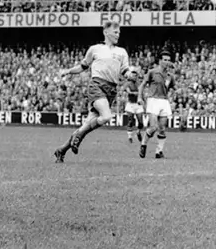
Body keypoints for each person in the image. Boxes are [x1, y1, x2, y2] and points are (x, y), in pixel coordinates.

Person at [54, 20, 130, 162]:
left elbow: (125, 70)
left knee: (87, 123)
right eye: (115, 32)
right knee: (106, 116)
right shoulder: (95, 49)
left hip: (111, 90)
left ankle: (61, 150)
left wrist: (130, 74)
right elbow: (82, 66)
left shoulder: (122, 52)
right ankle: (80, 135)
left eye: (119, 32)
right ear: (106, 32)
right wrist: (68, 71)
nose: (118, 34)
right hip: (97, 86)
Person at [138, 51, 173, 159]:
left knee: (162, 128)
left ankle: (159, 152)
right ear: (160, 61)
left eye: (168, 60)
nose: (167, 62)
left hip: (164, 101)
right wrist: (140, 97)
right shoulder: (152, 72)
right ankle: (143, 144)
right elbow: (142, 85)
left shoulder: (170, 76)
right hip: (153, 100)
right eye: (165, 60)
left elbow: (172, 88)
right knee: (153, 127)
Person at [123, 67, 145, 143]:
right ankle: (130, 137)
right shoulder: (127, 83)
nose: (134, 77)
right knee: (130, 120)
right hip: (130, 104)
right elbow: (129, 92)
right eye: (133, 75)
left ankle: (138, 132)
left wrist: (144, 101)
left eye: (136, 75)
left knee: (141, 122)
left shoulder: (139, 83)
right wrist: (136, 93)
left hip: (138, 104)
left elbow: (141, 92)